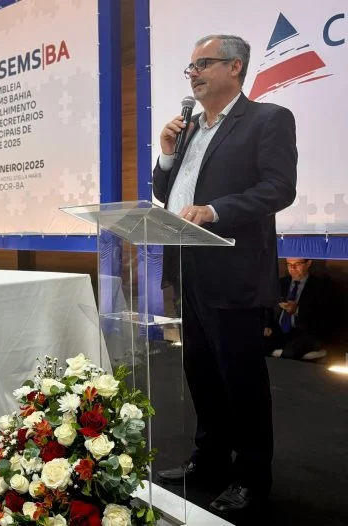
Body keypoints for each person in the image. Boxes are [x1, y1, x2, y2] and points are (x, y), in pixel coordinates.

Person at [152, 35, 297, 513]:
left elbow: (278, 188)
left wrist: (214, 210)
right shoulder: (189, 128)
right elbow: (167, 193)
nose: (193, 73)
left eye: (203, 64)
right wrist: (167, 153)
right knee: (201, 372)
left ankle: (252, 476)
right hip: (188, 265)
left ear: (235, 67)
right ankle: (209, 459)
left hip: (233, 268)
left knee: (241, 378)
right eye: (190, 67)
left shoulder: (268, 119)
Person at [264, 258, 336, 361]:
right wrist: (267, 325)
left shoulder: (321, 287)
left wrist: (297, 310)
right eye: (289, 264)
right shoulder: (280, 283)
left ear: (308, 263)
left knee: (290, 352)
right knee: (256, 343)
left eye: (297, 264)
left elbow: (324, 317)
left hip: (308, 333)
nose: (292, 268)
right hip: (280, 331)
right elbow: (269, 307)